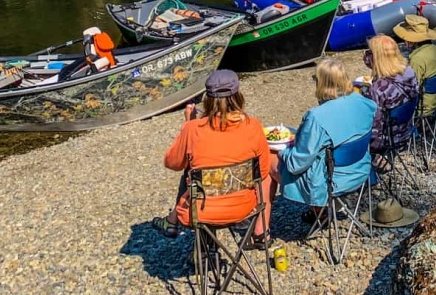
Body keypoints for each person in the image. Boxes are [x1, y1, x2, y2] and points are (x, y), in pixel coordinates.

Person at [154, 69, 271, 244]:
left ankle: (181, 229)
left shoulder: (193, 129)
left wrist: (189, 123)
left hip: (200, 211)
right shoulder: (253, 126)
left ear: (207, 99)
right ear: (238, 96)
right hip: (245, 208)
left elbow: (172, 163)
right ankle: (258, 232)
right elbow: (263, 171)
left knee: (191, 172)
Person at [272, 58, 376, 220]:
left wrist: (281, 150)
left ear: (321, 83)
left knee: (269, 158)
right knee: (324, 151)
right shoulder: (365, 103)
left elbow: (297, 164)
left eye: (315, 79)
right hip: (361, 170)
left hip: (332, 181)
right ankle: (318, 210)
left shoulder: (316, 117)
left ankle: (262, 228)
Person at [362, 35, 419, 153]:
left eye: (369, 52)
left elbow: (374, 130)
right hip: (408, 130)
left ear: (377, 57)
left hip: (388, 140)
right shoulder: (408, 71)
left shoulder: (377, 89)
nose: (366, 55)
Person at [393, 14, 436, 116]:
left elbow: (411, 88)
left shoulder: (418, 59)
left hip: (422, 107)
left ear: (411, 41)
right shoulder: (434, 50)